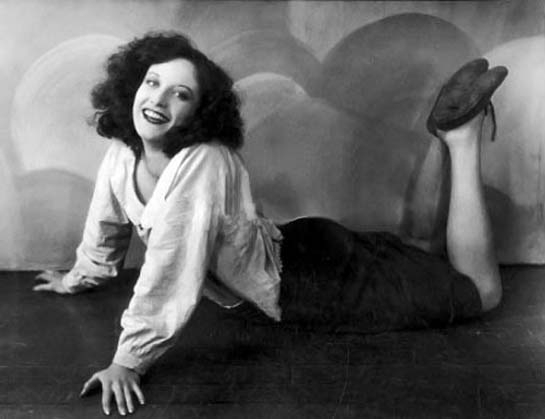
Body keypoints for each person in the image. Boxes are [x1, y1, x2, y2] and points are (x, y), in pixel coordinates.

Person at [33, 31, 506, 416]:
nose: (158, 99)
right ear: (133, 85)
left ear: (198, 113)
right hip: (303, 245)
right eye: (152, 82)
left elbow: (169, 268)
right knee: (418, 251)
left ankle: (460, 138)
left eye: (181, 94)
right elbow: (106, 226)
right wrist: (78, 278)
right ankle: (442, 135)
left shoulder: (203, 162)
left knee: (481, 293)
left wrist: (128, 361)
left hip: (314, 285)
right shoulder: (124, 153)